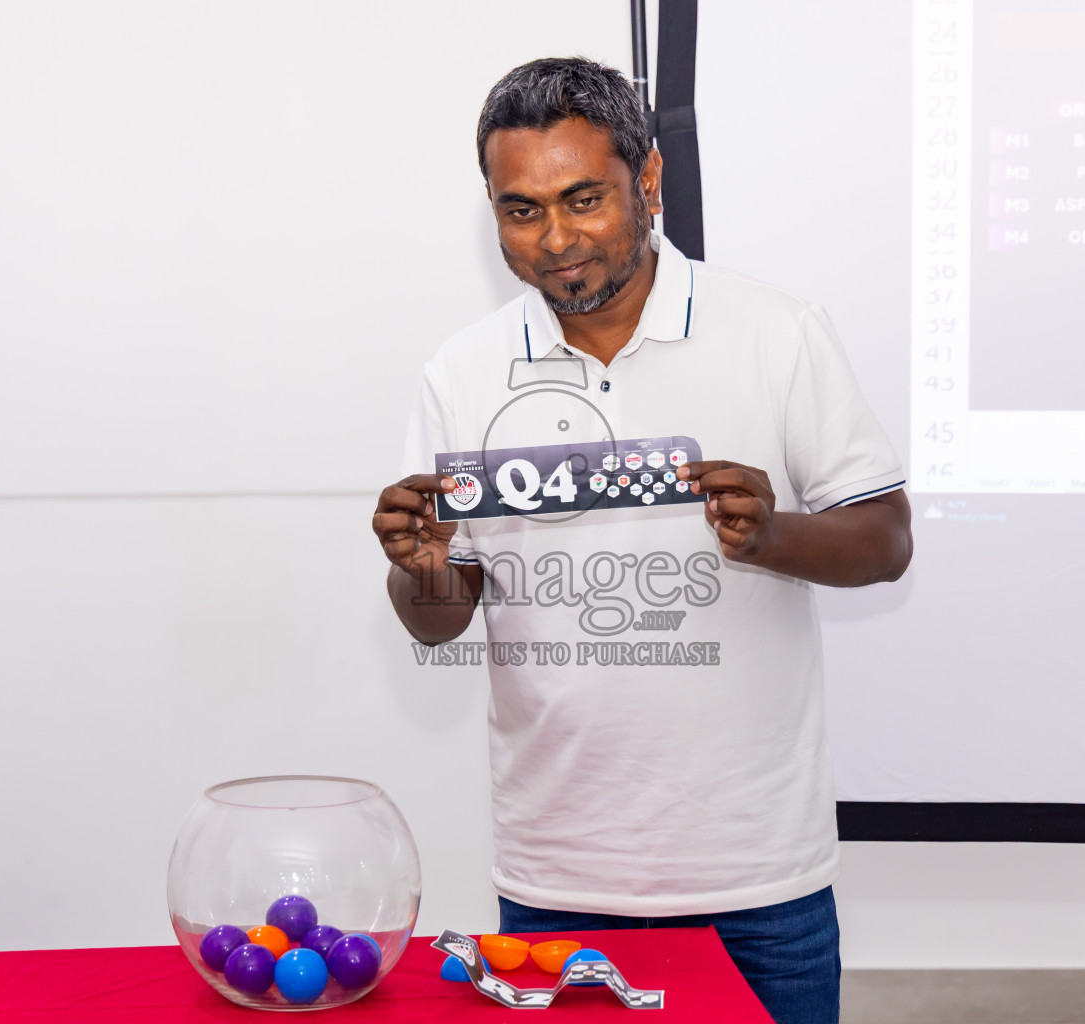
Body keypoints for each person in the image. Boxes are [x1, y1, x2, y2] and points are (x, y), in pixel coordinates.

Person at [371, 57, 912, 1024]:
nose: (557, 239)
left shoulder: (777, 332)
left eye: (585, 198)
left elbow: (886, 541)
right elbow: (443, 615)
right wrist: (420, 571)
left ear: (649, 181)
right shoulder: (462, 372)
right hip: (556, 879)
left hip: (759, 881)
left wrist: (773, 535)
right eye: (521, 209)